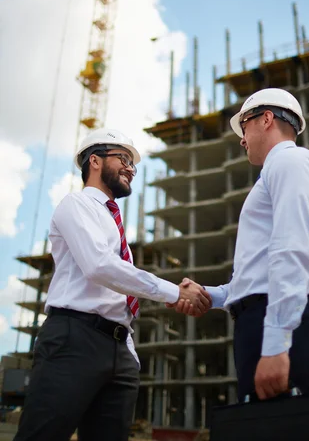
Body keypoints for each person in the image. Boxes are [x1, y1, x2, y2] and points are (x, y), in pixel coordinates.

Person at [15, 128, 211, 441]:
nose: (131, 169)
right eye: (123, 159)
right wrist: (173, 292)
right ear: (94, 160)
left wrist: (130, 350)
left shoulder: (115, 225)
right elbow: (100, 267)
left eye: (133, 164)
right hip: (74, 340)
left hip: (120, 348)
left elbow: (119, 284)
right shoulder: (75, 206)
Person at [174, 88, 309, 403]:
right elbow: (257, 274)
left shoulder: (291, 160)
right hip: (264, 318)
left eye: (244, 126)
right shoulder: (278, 171)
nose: (241, 139)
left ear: (267, 119)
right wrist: (210, 296)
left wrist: (275, 343)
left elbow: (292, 249)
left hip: (276, 322)